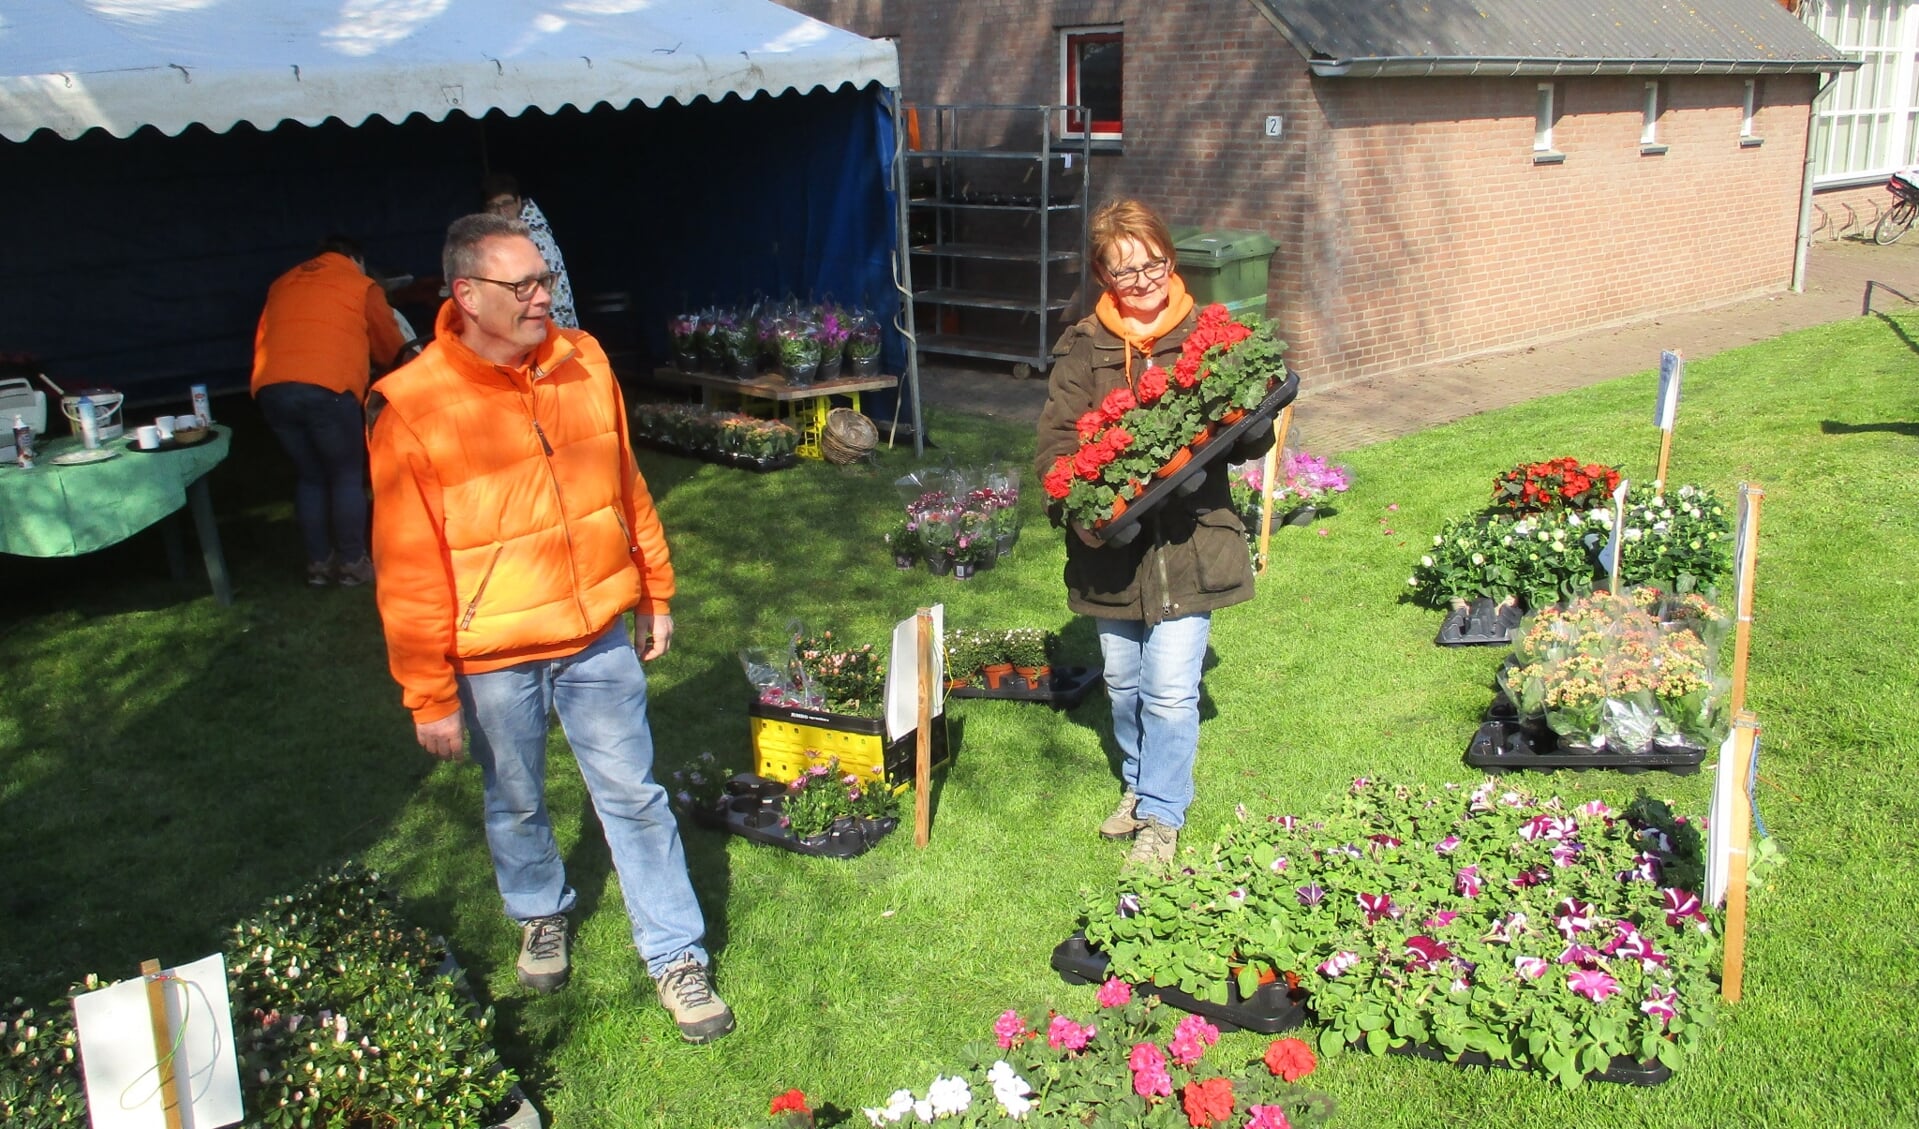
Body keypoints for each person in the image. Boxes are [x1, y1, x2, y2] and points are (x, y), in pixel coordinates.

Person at [366, 213, 733, 1044]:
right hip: (493, 655)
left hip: (597, 634)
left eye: (545, 279)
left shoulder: (584, 360)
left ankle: (675, 953)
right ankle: (539, 909)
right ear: (466, 295)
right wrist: (427, 692)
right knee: (517, 796)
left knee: (634, 797)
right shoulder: (413, 407)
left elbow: (622, 478)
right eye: (523, 285)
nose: (545, 296)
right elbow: (407, 564)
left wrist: (656, 589)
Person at [1034, 199, 1275, 868]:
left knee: (1170, 686)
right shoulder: (1084, 346)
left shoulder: (1211, 335)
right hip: (1112, 553)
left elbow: (1245, 437)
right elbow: (1056, 441)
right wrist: (1077, 505)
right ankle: (1139, 785)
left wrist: (1250, 423)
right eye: (1124, 272)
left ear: (1171, 258)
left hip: (1190, 544)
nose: (1142, 283)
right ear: (1100, 276)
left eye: (1154, 265)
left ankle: (1162, 814)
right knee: (1123, 681)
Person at [251, 234, 408, 587]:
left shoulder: (282, 283)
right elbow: (389, 345)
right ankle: (353, 563)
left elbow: (265, 337)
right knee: (346, 475)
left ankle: (319, 565)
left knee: (310, 476)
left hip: (272, 387)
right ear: (355, 258)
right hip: (327, 388)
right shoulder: (360, 283)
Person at [481, 172, 578, 329]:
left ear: (518, 202)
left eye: (507, 204)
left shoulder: (532, 238)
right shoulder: (511, 235)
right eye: (493, 206)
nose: (501, 212)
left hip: (551, 328)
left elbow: (553, 298)